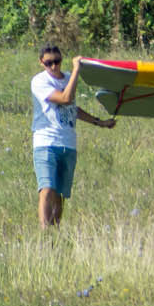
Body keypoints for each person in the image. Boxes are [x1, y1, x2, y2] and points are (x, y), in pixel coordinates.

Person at [30, 43, 115, 228]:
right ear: (41, 63)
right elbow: (65, 98)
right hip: (46, 142)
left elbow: (72, 108)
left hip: (68, 143)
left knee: (61, 193)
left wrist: (99, 122)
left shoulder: (68, 78)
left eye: (57, 61)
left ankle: (56, 230)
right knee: (47, 188)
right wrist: (76, 69)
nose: (54, 66)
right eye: (49, 63)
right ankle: (44, 232)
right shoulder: (39, 81)